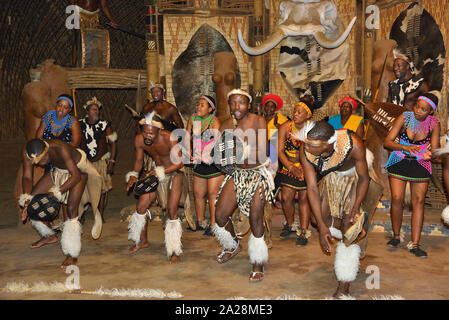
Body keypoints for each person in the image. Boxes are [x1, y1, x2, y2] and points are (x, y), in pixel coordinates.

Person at [299, 120, 370, 298]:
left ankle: (344, 286)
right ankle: (350, 237)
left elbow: (364, 179)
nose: (306, 148)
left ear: (328, 144)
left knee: (348, 227)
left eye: (312, 145)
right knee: (319, 220)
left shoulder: (353, 144)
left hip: (354, 179)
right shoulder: (306, 148)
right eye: (306, 143)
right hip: (330, 180)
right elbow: (312, 188)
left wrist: (355, 208)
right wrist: (321, 227)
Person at [212, 89, 275, 283]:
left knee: (256, 218)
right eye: (232, 103)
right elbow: (221, 154)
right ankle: (232, 245)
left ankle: (258, 261)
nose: (236, 107)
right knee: (220, 215)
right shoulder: (225, 124)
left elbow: (263, 151)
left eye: (240, 103)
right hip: (238, 173)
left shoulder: (258, 120)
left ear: (248, 104)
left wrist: (242, 149)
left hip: (258, 173)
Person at [18, 138, 102, 268]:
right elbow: (27, 177)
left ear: (47, 151)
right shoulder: (27, 151)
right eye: (37, 162)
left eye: (42, 160)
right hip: (59, 171)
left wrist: (56, 193)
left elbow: (76, 176)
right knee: (34, 203)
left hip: (78, 170)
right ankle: (49, 235)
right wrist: (27, 200)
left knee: (71, 210)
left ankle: (72, 254)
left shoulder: (60, 147)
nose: (40, 164)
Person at [383, 93, 440, 258]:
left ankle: (415, 244)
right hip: (399, 159)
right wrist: (406, 148)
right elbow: (387, 142)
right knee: (396, 198)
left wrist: (433, 154)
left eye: (423, 109)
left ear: (431, 111)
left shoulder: (434, 124)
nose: (418, 111)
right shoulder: (405, 117)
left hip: (420, 163)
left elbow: (434, 150)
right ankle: (396, 236)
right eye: (417, 106)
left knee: (419, 201)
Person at [125, 112, 184, 263]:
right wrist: (133, 174)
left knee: (172, 210)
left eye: (151, 133)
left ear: (159, 130)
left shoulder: (169, 137)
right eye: (144, 131)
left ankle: (174, 249)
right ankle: (142, 241)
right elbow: (139, 160)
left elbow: (180, 163)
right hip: (154, 172)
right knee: (141, 206)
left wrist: (161, 172)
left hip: (173, 172)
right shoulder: (139, 139)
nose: (147, 136)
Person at [275, 101, 312, 246]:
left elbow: (317, 151)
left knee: (304, 198)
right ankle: (290, 225)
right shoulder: (285, 127)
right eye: (294, 111)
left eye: (299, 112)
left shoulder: (312, 130)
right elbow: (279, 151)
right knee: (285, 197)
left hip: (306, 167)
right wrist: (291, 167)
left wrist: (305, 168)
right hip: (288, 166)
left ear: (307, 115)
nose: (295, 114)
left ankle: (303, 231)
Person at [185, 95, 223, 236]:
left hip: (212, 162)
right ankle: (201, 222)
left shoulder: (214, 121)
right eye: (198, 104)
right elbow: (187, 136)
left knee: (213, 194)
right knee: (198, 193)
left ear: (210, 109)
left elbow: (216, 141)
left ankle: (214, 225)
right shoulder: (193, 119)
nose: (198, 107)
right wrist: (188, 150)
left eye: (202, 105)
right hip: (199, 161)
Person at [79, 97, 117, 223]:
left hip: (101, 161)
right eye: (93, 110)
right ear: (87, 111)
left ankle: (99, 215)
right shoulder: (80, 124)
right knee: (83, 188)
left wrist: (111, 162)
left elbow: (113, 143)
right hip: (85, 162)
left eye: (97, 110)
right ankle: (81, 213)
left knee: (101, 189)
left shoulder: (105, 125)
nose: (96, 112)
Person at [71, 0, 119, 66]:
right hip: (81, 13)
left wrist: (112, 20)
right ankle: (73, 65)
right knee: (77, 40)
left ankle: (89, 64)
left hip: (94, 17)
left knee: (92, 40)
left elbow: (104, 6)